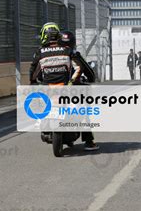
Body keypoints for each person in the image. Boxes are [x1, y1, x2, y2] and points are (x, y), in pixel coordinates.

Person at [29, 22, 99, 151]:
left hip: (49, 89)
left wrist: (33, 83)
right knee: (84, 110)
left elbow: (34, 73)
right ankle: (89, 141)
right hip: (68, 88)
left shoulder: (40, 52)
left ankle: (42, 124)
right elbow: (84, 69)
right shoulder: (69, 52)